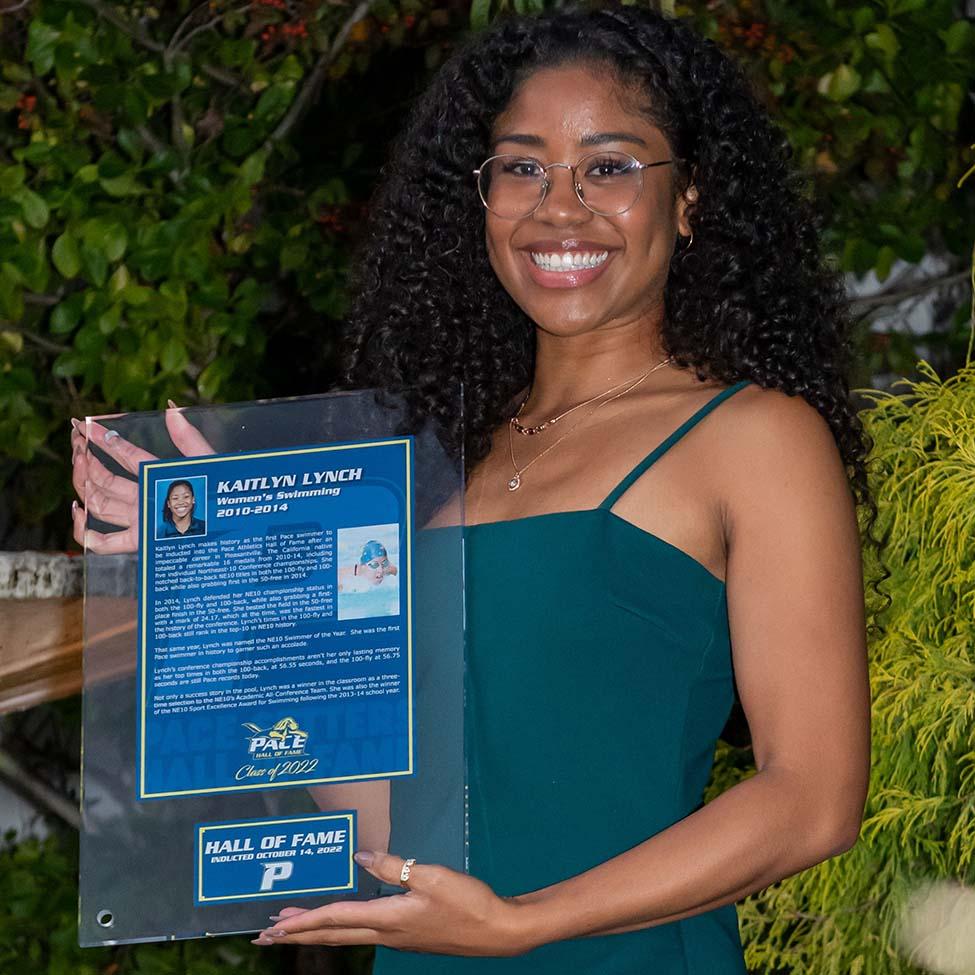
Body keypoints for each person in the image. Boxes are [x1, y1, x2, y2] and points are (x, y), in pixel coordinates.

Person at [70, 5, 873, 972]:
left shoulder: (754, 437)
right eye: (522, 166)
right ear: (479, 195)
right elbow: (390, 815)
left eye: (609, 166)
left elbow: (813, 798)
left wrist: (524, 922)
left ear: (689, 198)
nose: (558, 207)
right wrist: (221, 578)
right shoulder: (420, 470)